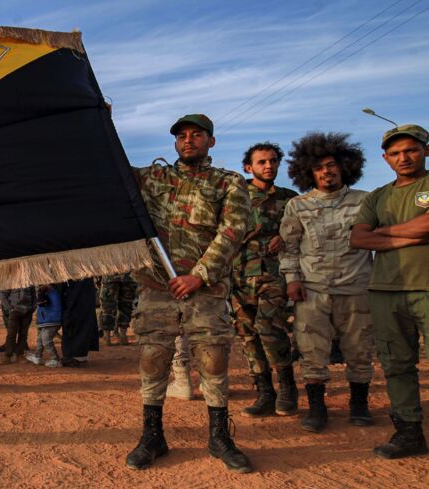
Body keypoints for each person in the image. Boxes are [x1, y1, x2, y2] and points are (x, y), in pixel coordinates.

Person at [126, 114, 252, 473]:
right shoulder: (152, 178)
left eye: (197, 135)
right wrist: (100, 118)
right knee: (153, 357)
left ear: (210, 141)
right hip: (157, 287)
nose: (188, 140)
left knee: (213, 359)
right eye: (181, 136)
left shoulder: (228, 183)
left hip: (205, 289)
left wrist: (198, 275)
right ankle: (152, 436)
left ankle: (219, 437)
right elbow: (113, 169)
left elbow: (232, 231)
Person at [279, 131, 375, 433]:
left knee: (359, 350)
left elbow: (379, 240)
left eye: (331, 165)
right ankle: (317, 408)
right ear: (308, 171)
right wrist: (292, 280)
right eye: (319, 167)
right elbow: (289, 247)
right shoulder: (297, 205)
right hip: (312, 290)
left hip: (356, 288)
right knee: (311, 351)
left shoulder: (366, 201)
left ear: (344, 166)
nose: (326, 171)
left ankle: (359, 404)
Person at [350, 123, 429, 459]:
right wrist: (405, 236)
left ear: (425, 150)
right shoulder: (377, 196)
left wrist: (384, 235)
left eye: (410, 149)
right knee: (397, 365)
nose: (404, 157)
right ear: (385, 158)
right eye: (395, 153)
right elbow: (358, 238)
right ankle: (409, 432)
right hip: (385, 290)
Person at [230, 142, 299, 417]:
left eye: (273, 161)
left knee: (269, 327)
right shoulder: (234, 197)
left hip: (274, 274)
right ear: (249, 167)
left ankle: (287, 387)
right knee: (248, 336)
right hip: (238, 276)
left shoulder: (290, 199)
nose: (268, 166)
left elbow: (303, 231)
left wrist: (287, 235)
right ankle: (264, 392)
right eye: (262, 162)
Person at [60, 278, 99, 367]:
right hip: (82, 295)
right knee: (82, 322)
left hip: (75, 298)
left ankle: (73, 357)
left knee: (73, 323)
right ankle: (78, 356)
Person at [25, 285, 62, 367]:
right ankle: (37, 356)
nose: (39, 287)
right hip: (47, 320)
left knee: (46, 339)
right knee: (40, 339)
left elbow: (41, 303)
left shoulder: (52, 293)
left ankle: (55, 359)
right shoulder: (48, 293)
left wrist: (41, 292)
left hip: (52, 320)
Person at [0, 287, 36, 364]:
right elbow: (3, 295)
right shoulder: (11, 280)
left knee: (23, 333)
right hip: (14, 311)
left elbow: (34, 295)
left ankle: (20, 355)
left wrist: (32, 308)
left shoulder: (30, 281)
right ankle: (7, 356)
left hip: (27, 311)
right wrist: (10, 308)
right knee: (11, 333)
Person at [98, 273, 136, 346]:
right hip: (128, 277)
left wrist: (98, 281)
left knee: (107, 306)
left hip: (110, 276)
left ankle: (107, 338)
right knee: (126, 305)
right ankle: (123, 336)